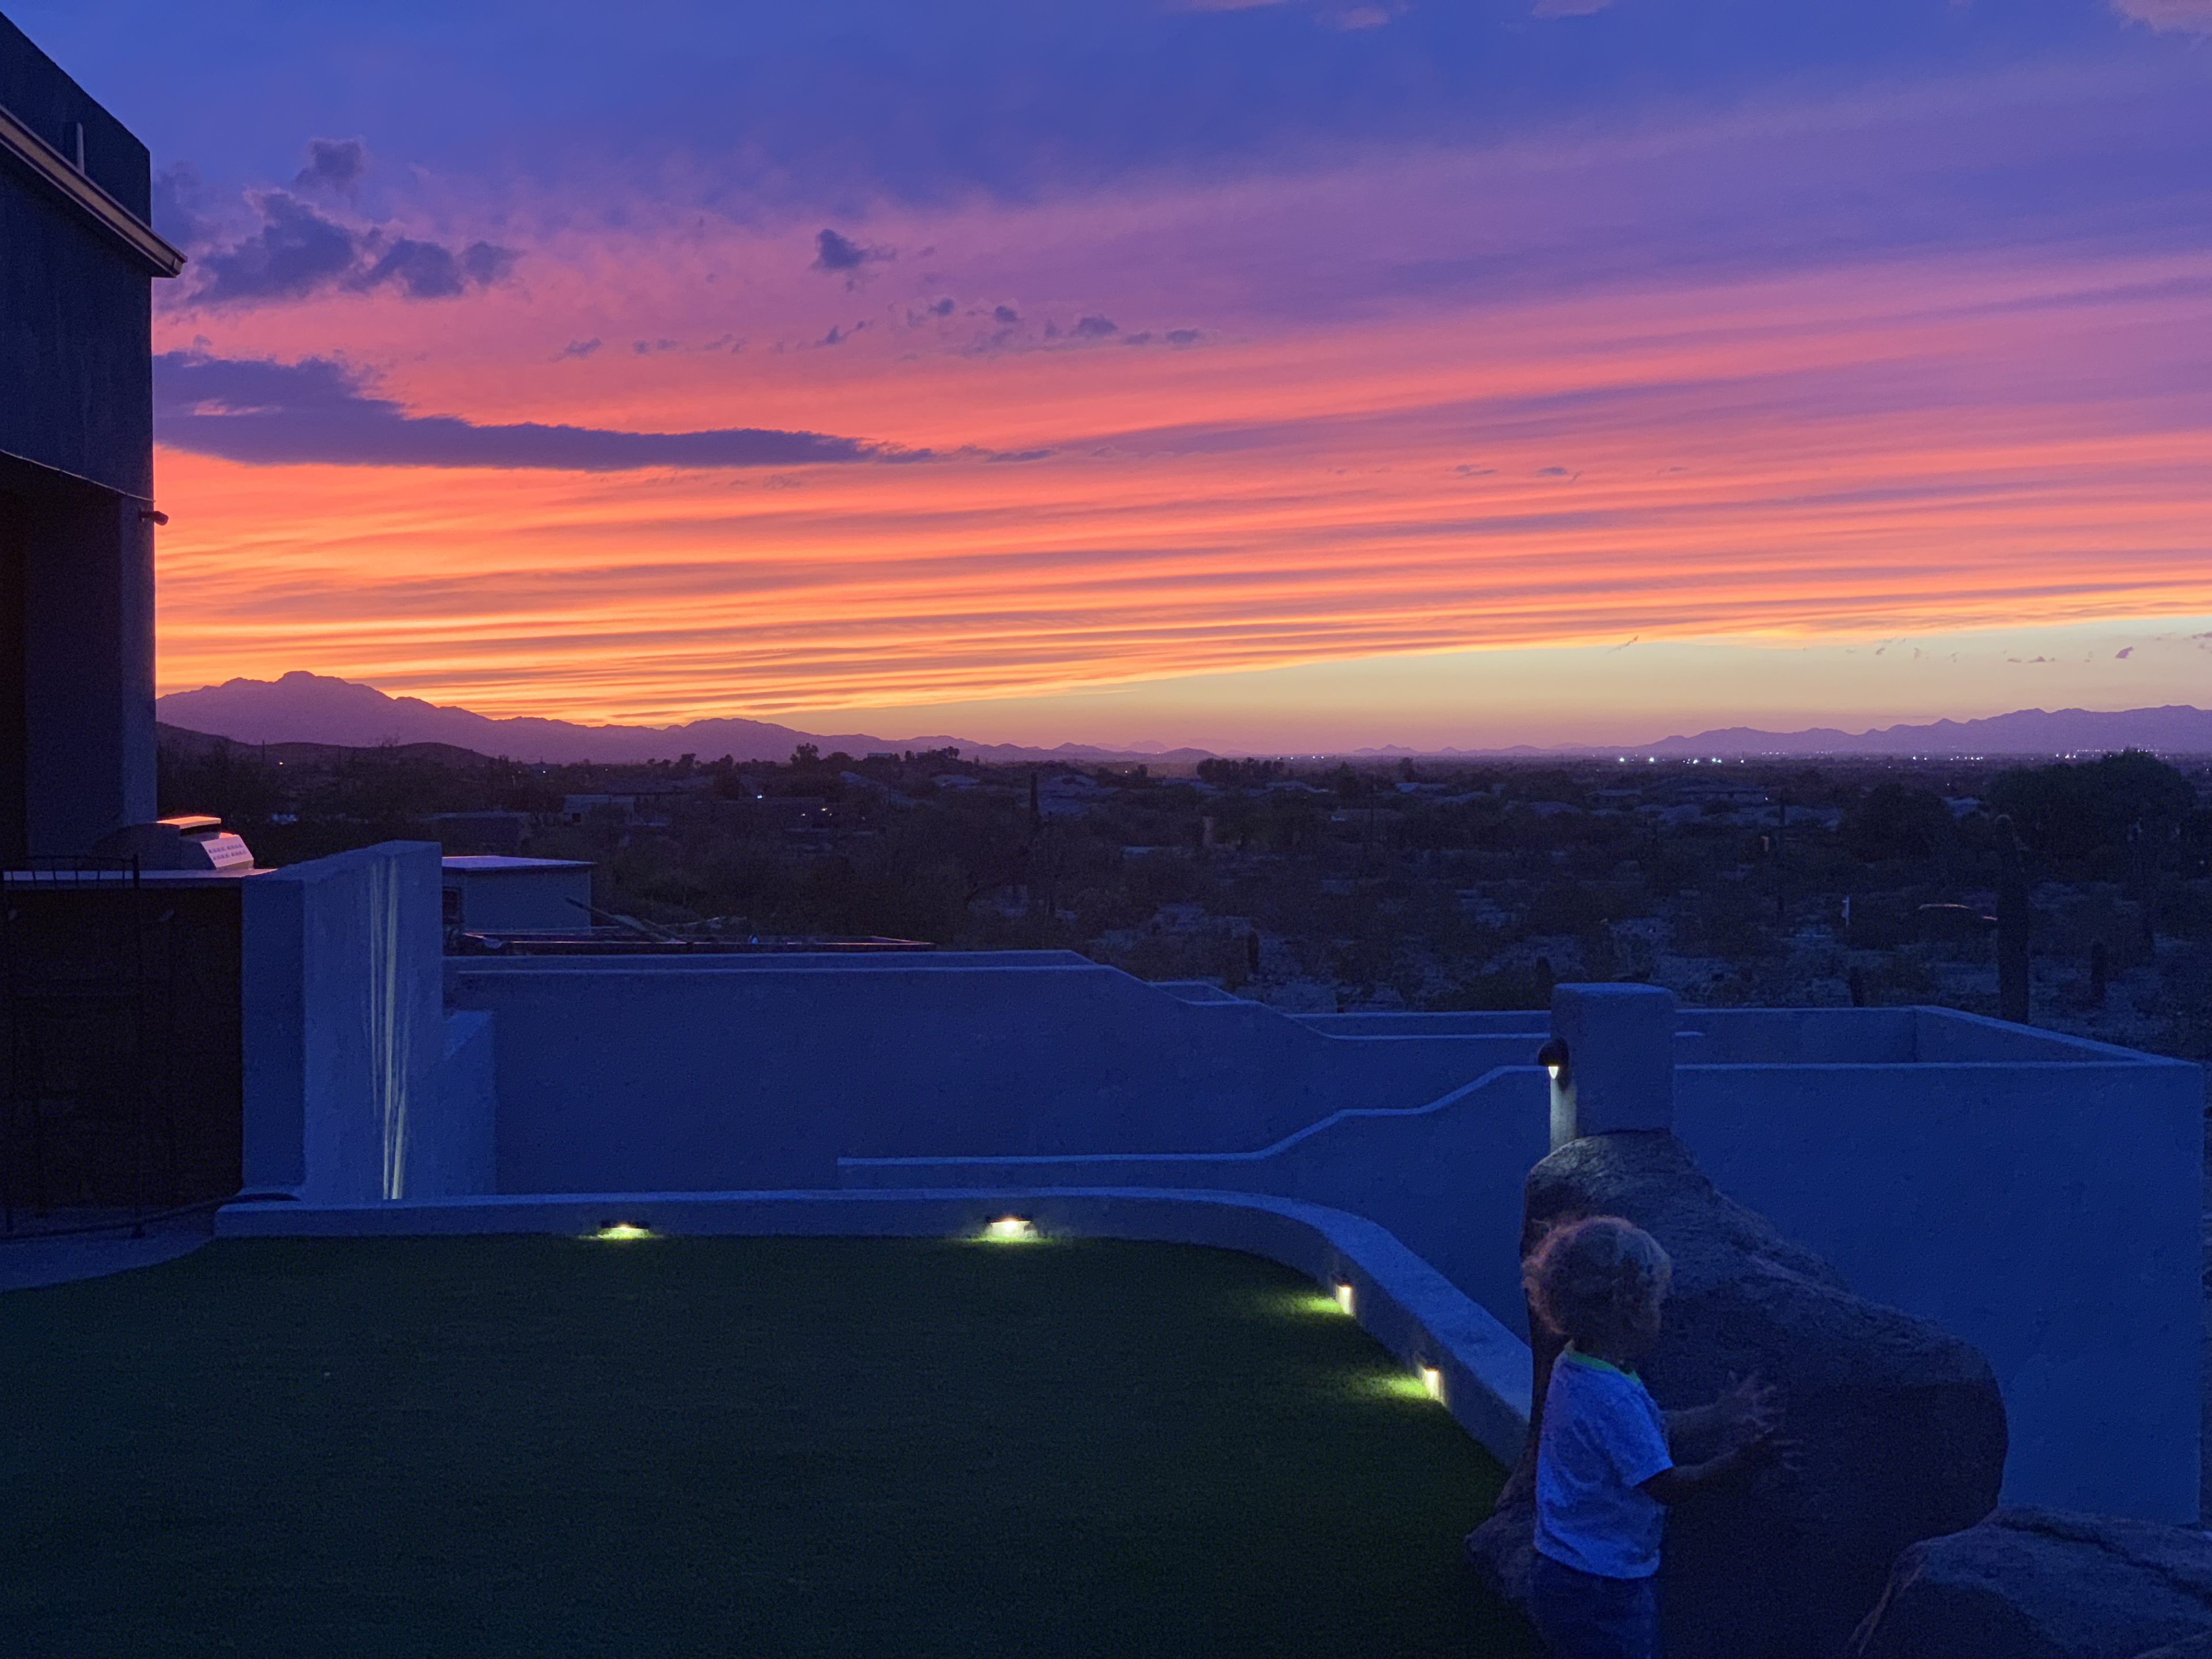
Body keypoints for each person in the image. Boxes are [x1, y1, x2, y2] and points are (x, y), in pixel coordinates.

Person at [1522, 1215, 1782, 1659]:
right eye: (1659, 1303)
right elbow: (1666, 1484)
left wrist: (1719, 1414)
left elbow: (1647, 1429)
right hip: (1603, 1585)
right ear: (1631, 1310)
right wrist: (1741, 1461)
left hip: (1564, 1568)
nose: (1663, 1313)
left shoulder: (1578, 1367)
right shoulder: (1611, 1396)